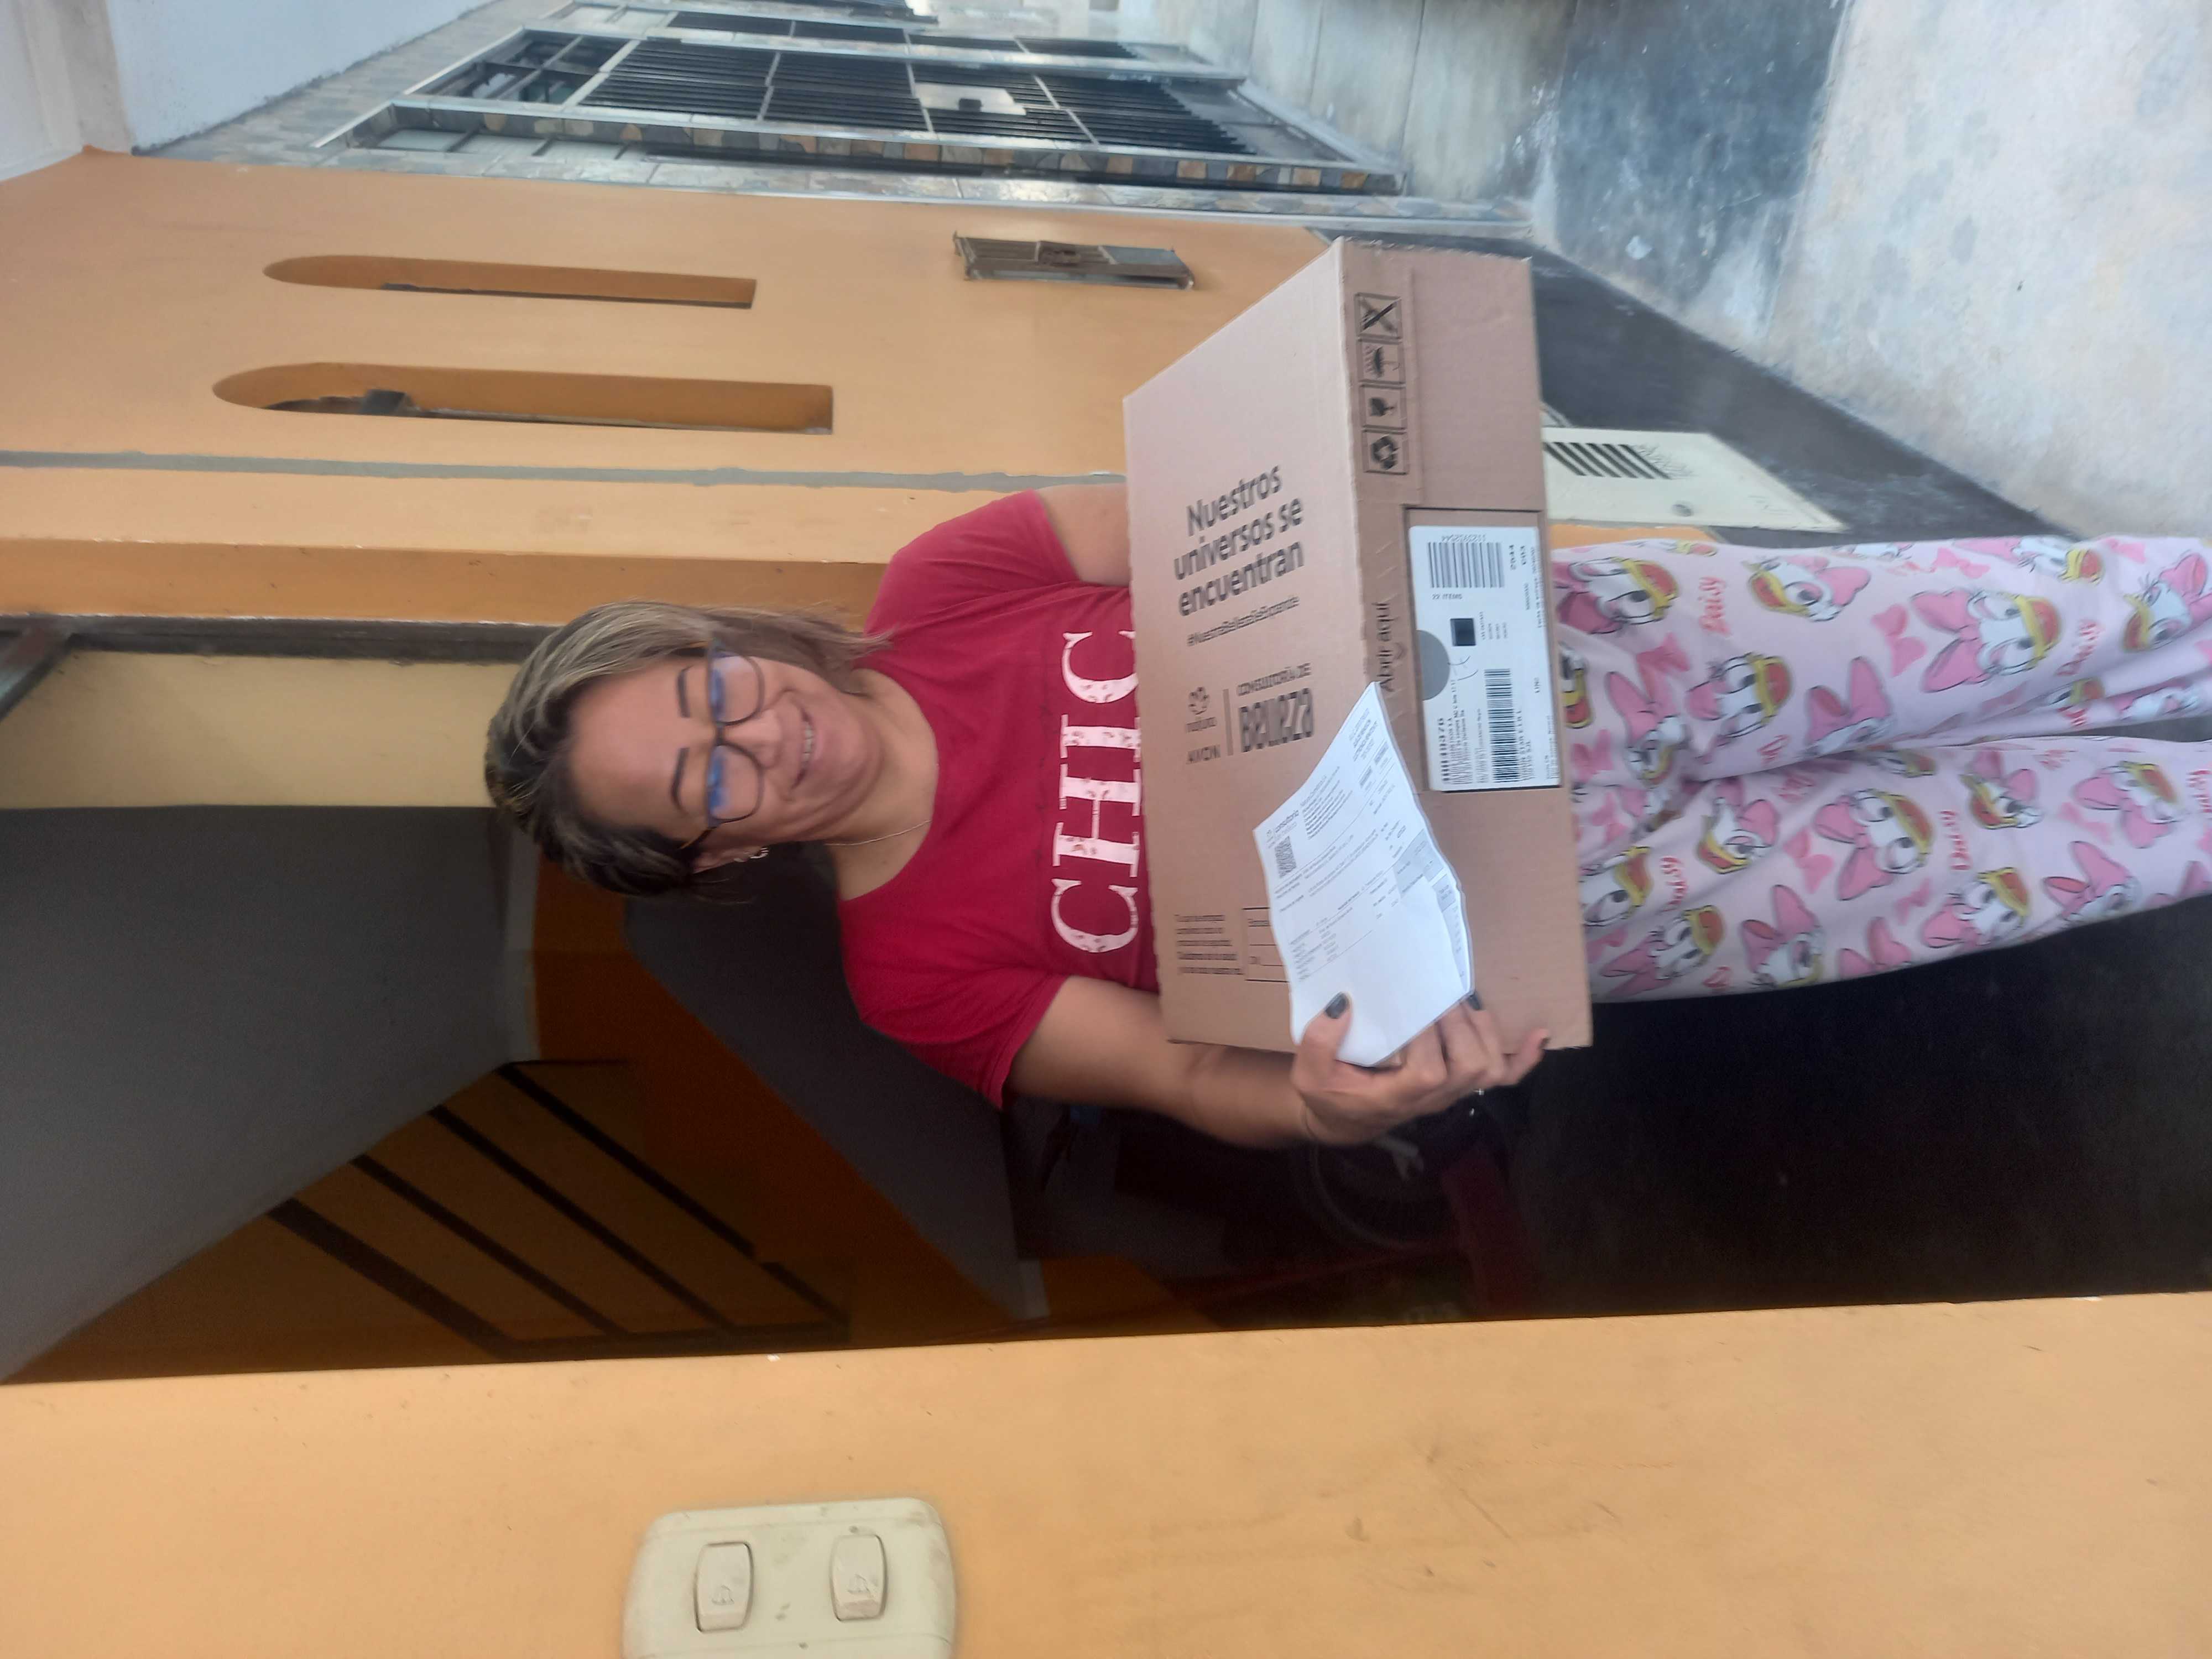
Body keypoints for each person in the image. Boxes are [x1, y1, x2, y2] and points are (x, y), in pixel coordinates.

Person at [486, 487, 2212, 1145]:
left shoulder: (955, 579)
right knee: (2026, 850)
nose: (759, 733)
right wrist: (1322, 1103)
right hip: (1573, 903)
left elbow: (1254, 514)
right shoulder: (917, 977)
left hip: (1577, 658)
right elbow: (1188, 1075)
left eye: (713, 688)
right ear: (722, 854)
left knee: (2031, 620)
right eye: (708, 778)